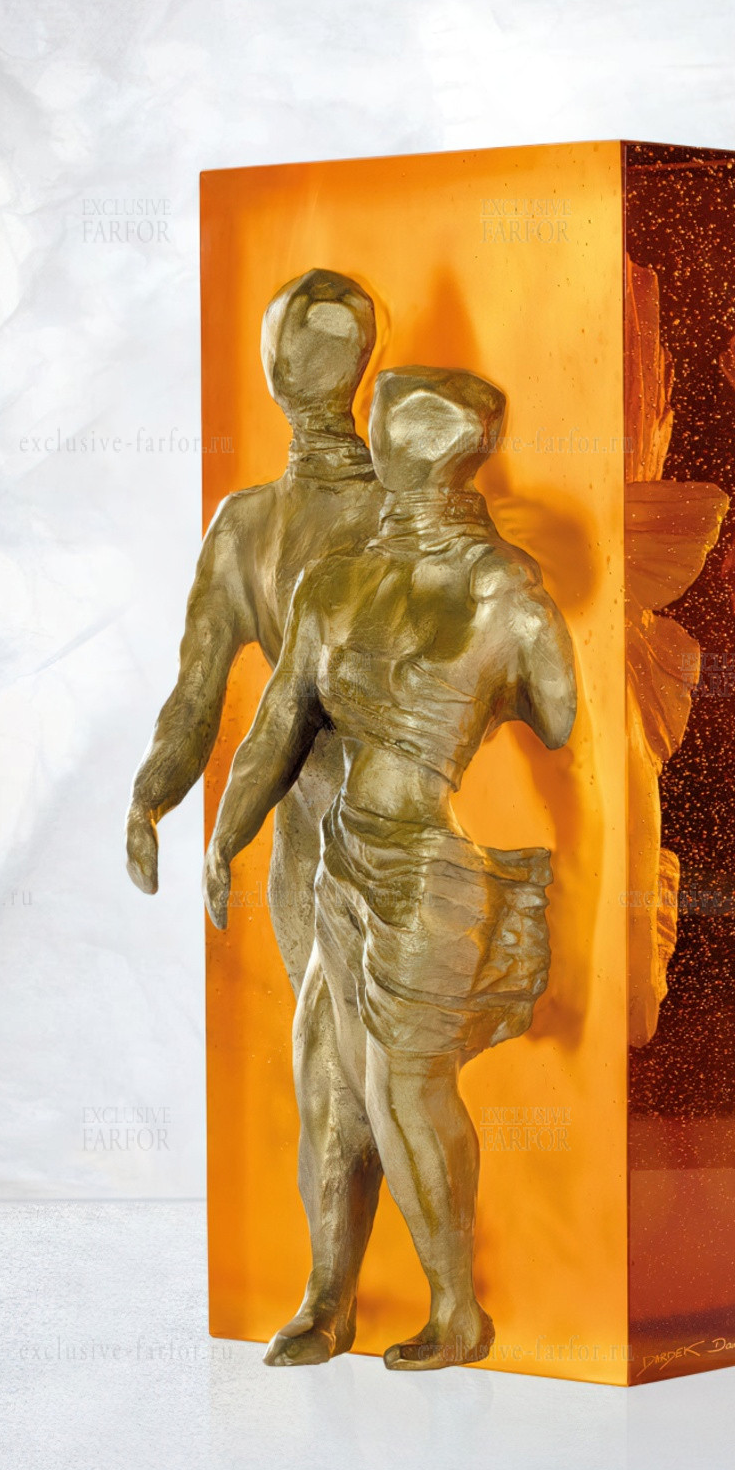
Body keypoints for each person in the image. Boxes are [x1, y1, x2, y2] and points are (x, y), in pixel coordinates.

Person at [203, 366, 577, 1372]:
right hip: (341, 857)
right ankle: (327, 1300)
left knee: (403, 1088)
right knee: (325, 1083)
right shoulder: (339, 584)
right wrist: (227, 831)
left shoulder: (502, 585)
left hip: (427, 868)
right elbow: (277, 722)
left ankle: (458, 1310)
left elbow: (559, 720)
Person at [125, 268, 384, 988]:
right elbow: (196, 695)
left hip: (385, 836)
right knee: (324, 1040)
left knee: (359, 1044)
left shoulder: (399, 511)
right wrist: (149, 799)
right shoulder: (247, 524)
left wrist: (154, 803)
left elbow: (198, 697)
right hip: (311, 832)